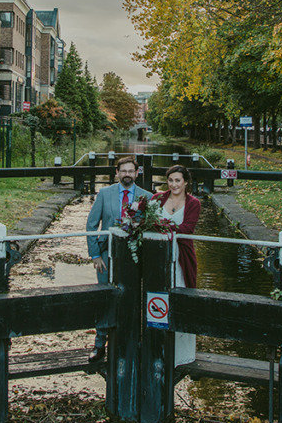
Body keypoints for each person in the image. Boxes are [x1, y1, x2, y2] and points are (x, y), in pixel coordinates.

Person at [85, 155, 151, 363]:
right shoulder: (105, 194)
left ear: (137, 173)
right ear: (117, 173)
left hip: (134, 257)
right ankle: (99, 344)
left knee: (133, 298)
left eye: (131, 171)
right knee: (105, 297)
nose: (127, 175)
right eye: (123, 171)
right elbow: (91, 225)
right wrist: (95, 255)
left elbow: (151, 226)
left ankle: (132, 342)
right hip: (106, 255)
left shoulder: (146, 197)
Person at [151, 164, 200, 366]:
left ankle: (181, 354)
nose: (173, 184)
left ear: (186, 182)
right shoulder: (157, 199)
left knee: (180, 296)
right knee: (157, 297)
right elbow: (148, 221)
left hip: (181, 257)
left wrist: (162, 226)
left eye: (178, 180)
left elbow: (187, 229)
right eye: (170, 180)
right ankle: (157, 348)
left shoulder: (193, 203)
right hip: (158, 256)